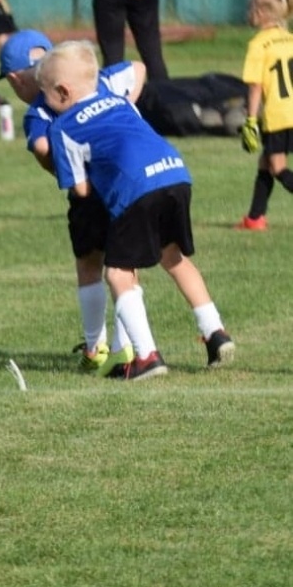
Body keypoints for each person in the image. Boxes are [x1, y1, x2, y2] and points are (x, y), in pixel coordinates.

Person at [38, 41, 232, 378]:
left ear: (63, 92)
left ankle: (147, 356)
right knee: (173, 256)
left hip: (136, 188)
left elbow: (81, 190)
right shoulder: (118, 100)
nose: (44, 102)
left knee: (117, 273)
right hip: (175, 173)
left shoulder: (62, 127)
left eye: (46, 94)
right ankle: (215, 332)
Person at [0, 29, 146, 374]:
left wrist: (60, 169)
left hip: (86, 192)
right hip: (122, 184)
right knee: (126, 267)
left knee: (89, 265)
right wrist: (125, 112)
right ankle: (126, 347)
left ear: (16, 79)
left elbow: (41, 146)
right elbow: (137, 68)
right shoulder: (95, 81)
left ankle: (95, 348)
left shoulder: (40, 110)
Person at [233, 0, 293, 232]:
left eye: (251, 8)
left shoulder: (258, 44)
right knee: (265, 162)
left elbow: (256, 87)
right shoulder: (290, 39)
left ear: (260, 12)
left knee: (278, 167)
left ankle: (255, 218)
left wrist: (250, 120)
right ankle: (255, 218)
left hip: (277, 116)